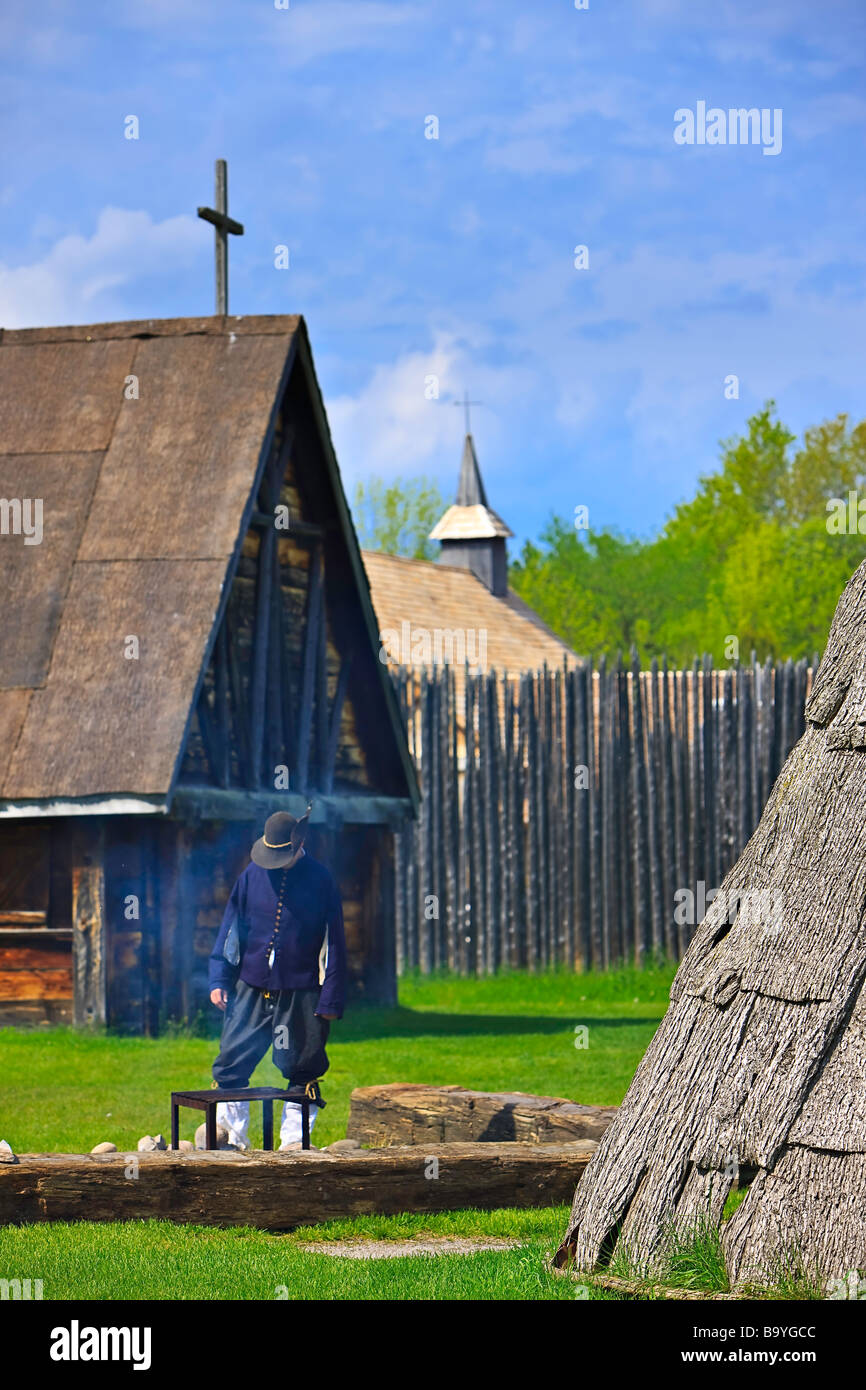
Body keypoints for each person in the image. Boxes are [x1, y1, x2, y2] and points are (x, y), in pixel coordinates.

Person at [207, 808, 346, 1150]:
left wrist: (329, 999)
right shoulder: (251, 876)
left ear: (298, 844)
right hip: (251, 986)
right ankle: (232, 1142)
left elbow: (335, 944)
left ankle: (295, 1145)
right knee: (231, 1062)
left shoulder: (321, 880)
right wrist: (219, 978)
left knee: (303, 1063)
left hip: (301, 991)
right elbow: (231, 932)